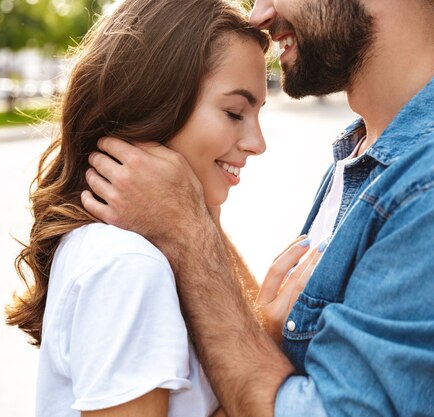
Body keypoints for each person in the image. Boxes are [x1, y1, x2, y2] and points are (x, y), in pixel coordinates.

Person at [81, 0, 434, 416]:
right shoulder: (363, 153)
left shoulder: (421, 185)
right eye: (233, 112)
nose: (259, 13)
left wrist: (190, 235)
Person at [4, 0, 298, 415]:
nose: (257, 142)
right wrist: (265, 345)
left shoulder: (141, 249)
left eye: (256, 114)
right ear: (154, 102)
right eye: (234, 112)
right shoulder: (127, 263)